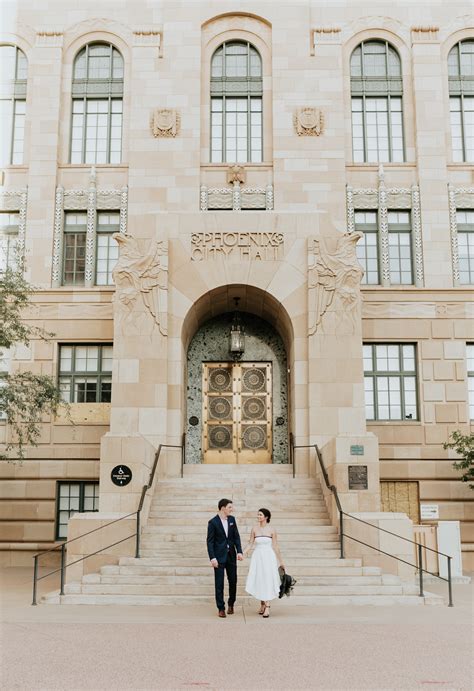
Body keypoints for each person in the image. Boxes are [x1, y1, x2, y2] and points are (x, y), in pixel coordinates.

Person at [243, 508, 284, 618]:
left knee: (267, 579)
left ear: (266, 517)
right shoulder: (254, 529)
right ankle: (262, 604)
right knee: (260, 578)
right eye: (258, 515)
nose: (258, 516)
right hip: (257, 557)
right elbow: (250, 543)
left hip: (268, 557)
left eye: (260, 515)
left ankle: (267, 607)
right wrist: (242, 553)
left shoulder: (272, 530)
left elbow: (275, 546)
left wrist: (281, 561)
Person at [206, 498, 243, 618]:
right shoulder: (213, 522)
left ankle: (231, 603)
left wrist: (239, 551)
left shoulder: (232, 520)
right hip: (219, 557)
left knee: (233, 581)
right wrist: (212, 558)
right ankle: (221, 608)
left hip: (231, 556)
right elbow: (210, 542)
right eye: (230, 507)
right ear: (223, 508)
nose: (232, 509)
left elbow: (236, 537)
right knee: (219, 583)